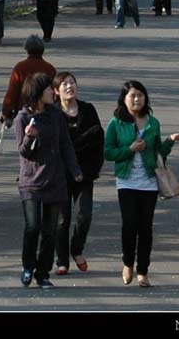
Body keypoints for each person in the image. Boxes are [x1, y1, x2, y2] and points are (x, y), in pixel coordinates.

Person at [104, 80, 179, 287]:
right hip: (126, 182)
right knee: (130, 224)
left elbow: (159, 154)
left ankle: (143, 270)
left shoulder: (153, 122)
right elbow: (108, 152)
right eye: (132, 96)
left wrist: (170, 141)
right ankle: (128, 263)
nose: (137, 99)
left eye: (140, 95)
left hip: (148, 182)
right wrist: (129, 149)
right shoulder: (116, 123)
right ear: (124, 99)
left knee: (145, 227)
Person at [14, 73, 83, 289]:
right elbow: (24, 152)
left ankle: (42, 273)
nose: (53, 93)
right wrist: (29, 136)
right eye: (48, 90)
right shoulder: (22, 118)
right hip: (31, 182)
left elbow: (65, 144)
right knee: (32, 227)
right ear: (36, 93)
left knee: (50, 230)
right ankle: (28, 266)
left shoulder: (55, 115)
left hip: (55, 179)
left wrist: (75, 170)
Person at [52, 72, 104, 276]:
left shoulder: (88, 110)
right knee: (62, 219)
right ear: (56, 91)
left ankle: (77, 249)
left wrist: (93, 169)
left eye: (72, 82)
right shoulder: (53, 113)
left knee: (85, 215)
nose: (69, 86)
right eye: (64, 84)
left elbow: (98, 139)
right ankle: (62, 261)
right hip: (60, 174)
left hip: (84, 173)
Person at [1, 34, 56, 125]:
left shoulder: (20, 67)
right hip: (45, 110)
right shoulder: (49, 68)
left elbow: (13, 91)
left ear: (27, 49)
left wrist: (6, 111)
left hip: (24, 110)